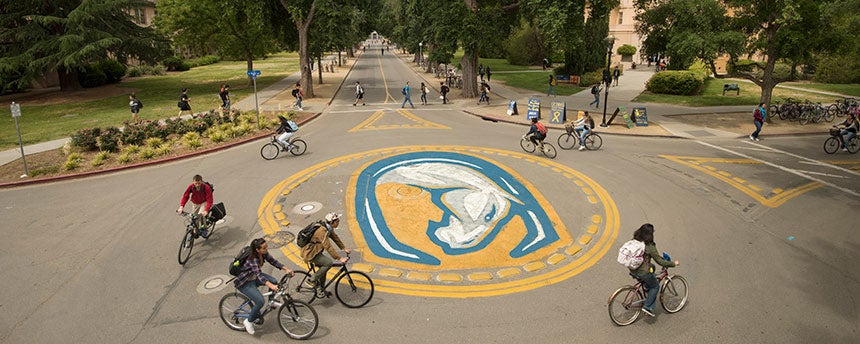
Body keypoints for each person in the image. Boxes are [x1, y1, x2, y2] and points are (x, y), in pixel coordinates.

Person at [233, 238, 294, 335]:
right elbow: (259, 276)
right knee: (260, 301)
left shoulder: (263, 253)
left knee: (274, 280)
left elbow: (273, 261)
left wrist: (286, 269)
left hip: (253, 277)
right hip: (245, 282)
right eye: (264, 248)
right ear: (257, 250)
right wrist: (271, 286)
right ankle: (248, 321)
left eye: (266, 246)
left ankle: (272, 302)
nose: (266, 249)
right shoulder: (253, 259)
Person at [628, 223, 679, 317]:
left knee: (653, 267)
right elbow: (660, 261)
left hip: (633, 268)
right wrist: (673, 264)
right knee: (655, 286)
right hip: (642, 272)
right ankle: (647, 306)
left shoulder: (635, 240)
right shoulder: (649, 246)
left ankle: (647, 286)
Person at [301, 213, 351, 298]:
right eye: (337, 221)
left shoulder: (328, 228)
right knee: (328, 263)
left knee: (323, 269)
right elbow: (328, 246)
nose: (338, 222)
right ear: (331, 222)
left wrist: (344, 248)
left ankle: (321, 289)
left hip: (316, 251)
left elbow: (335, 237)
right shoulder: (322, 231)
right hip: (310, 253)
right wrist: (339, 258)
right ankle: (311, 280)